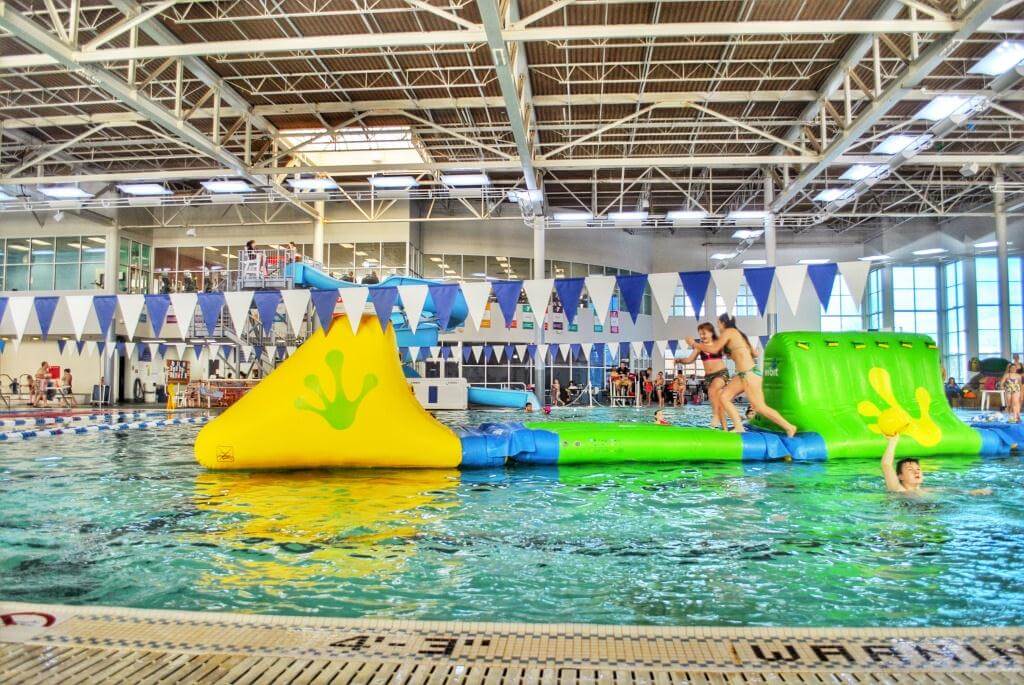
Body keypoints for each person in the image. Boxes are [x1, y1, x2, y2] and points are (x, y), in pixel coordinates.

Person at [687, 314, 797, 437]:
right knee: (724, 397)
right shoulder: (739, 335)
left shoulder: (730, 331)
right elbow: (754, 353)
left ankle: (789, 427)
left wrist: (694, 344)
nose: (717, 327)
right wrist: (735, 352)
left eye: (718, 324)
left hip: (749, 374)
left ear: (724, 323)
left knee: (759, 407)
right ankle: (739, 427)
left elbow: (714, 349)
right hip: (742, 375)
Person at [679, 323, 732, 429]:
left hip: (721, 373)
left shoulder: (717, 343)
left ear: (711, 333)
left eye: (704, 333)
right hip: (709, 377)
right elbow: (690, 359)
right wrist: (680, 360)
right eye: (700, 334)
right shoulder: (699, 347)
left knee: (712, 390)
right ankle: (725, 429)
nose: (702, 336)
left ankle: (715, 416)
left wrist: (694, 344)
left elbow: (716, 350)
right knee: (718, 403)